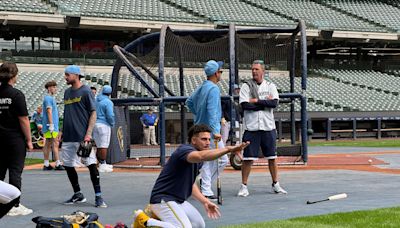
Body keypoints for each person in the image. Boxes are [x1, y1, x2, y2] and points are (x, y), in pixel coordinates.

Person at [132, 124, 249, 228]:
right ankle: (146, 222)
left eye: (209, 139)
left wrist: (205, 201)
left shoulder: (198, 158)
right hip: (163, 199)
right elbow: (201, 156)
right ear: (193, 140)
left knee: (198, 225)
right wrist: (228, 149)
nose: (208, 142)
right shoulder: (185, 150)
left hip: (178, 200)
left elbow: (191, 184)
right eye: (204, 139)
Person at [237, 60, 287, 197]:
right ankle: (244, 186)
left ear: (263, 71)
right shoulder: (246, 87)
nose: (254, 71)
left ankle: (276, 184)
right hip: (251, 128)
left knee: (272, 157)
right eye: (252, 69)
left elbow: (274, 103)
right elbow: (245, 105)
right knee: (248, 159)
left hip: (268, 127)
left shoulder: (270, 86)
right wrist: (265, 103)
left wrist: (257, 101)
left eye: (257, 69)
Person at [60, 65, 107, 208]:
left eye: (67, 74)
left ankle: (98, 196)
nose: (65, 77)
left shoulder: (86, 91)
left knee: (91, 164)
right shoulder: (67, 92)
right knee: (68, 165)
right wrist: (62, 132)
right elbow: (68, 113)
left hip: (82, 136)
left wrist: (88, 134)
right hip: (68, 135)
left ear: (76, 75)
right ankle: (78, 193)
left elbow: (93, 113)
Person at [186, 60, 227, 201]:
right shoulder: (214, 88)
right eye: (220, 71)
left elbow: (189, 102)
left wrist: (198, 114)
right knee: (221, 160)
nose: (221, 73)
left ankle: (205, 186)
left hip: (199, 128)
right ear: (216, 73)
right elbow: (211, 111)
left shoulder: (203, 86)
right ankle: (205, 188)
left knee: (208, 160)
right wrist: (215, 131)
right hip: (208, 131)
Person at [0, 61, 33, 216]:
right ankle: (15, 205)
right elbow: (24, 119)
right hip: (14, 139)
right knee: (15, 171)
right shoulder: (16, 94)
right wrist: (28, 140)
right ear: (14, 76)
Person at [42, 80, 64, 171]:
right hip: (51, 125)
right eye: (54, 87)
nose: (55, 89)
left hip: (50, 125)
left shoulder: (50, 98)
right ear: (49, 88)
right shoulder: (48, 98)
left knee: (48, 144)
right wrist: (51, 124)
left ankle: (46, 164)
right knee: (55, 143)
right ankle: (58, 163)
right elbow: (49, 111)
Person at [93, 85, 115, 173]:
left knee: (98, 145)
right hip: (104, 124)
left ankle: (100, 163)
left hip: (95, 123)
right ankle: (103, 164)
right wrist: (112, 123)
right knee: (104, 145)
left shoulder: (96, 100)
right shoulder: (108, 102)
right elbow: (110, 115)